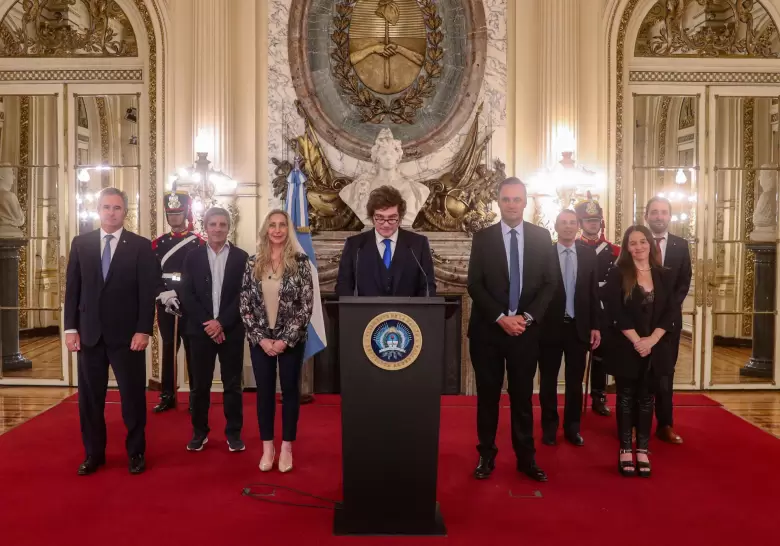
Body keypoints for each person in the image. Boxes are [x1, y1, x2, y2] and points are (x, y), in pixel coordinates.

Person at [64, 187, 160, 475]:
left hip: (128, 337)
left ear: (125, 212)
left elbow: (146, 293)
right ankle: (94, 454)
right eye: (106, 207)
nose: (111, 212)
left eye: (117, 207)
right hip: (89, 335)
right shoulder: (81, 243)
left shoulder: (140, 246)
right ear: (98, 210)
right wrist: (70, 328)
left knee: (132, 398)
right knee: (90, 400)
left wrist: (143, 330)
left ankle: (136, 453)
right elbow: (73, 289)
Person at [467, 177, 556, 482]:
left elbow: (550, 283)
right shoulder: (482, 238)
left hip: (525, 333)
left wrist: (526, 318)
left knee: (522, 398)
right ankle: (486, 456)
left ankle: (526, 459)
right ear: (498, 202)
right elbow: (474, 285)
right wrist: (501, 317)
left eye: (517, 199)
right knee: (487, 398)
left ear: (525, 202)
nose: (512, 204)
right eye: (506, 199)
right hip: (488, 332)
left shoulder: (542, 237)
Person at [240, 210, 314, 473]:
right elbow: (245, 305)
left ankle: (286, 447)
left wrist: (284, 340)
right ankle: (267, 448)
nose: (277, 230)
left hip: (290, 340)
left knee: (290, 392)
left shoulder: (301, 263)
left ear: (288, 229)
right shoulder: (252, 263)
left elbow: (306, 306)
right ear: (266, 230)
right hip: (260, 340)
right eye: (272, 225)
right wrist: (261, 339)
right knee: (264, 394)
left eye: (282, 225)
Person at [603, 225, 676, 478]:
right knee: (625, 397)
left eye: (642, 241)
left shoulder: (664, 274)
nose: (639, 247)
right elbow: (615, 311)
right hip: (627, 345)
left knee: (647, 398)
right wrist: (637, 341)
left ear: (650, 244)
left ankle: (643, 450)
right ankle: (625, 449)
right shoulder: (618, 273)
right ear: (626, 247)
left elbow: (671, 312)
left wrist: (652, 340)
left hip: (655, 347)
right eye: (632, 243)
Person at [180, 207, 249, 452]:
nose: (218, 229)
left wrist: (222, 323)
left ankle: (234, 434)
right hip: (200, 331)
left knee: (232, 385)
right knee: (200, 386)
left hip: (231, 330)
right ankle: (199, 433)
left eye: (222, 224)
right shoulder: (192, 257)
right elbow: (187, 294)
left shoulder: (242, 257)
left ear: (229, 227)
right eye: (213, 224)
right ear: (205, 227)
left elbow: (244, 295)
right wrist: (209, 323)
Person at [538, 210, 601, 447]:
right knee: (548, 381)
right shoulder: (544, 254)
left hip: (578, 328)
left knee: (575, 383)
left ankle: (572, 428)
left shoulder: (588, 254)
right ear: (556, 226)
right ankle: (549, 428)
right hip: (549, 328)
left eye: (572, 223)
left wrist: (595, 326)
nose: (568, 226)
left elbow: (593, 293)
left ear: (578, 226)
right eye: (563, 222)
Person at [152, 188, 204, 413]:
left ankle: (195, 396)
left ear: (186, 213)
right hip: (166, 302)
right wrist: (163, 293)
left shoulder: (198, 243)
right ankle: (168, 394)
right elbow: (152, 275)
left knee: (193, 349)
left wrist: (181, 295)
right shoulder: (157, 244)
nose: (174, 217)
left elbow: (200, 277)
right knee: (168, 348)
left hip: (189, 304)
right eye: (170, 214)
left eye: (178, 213)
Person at [645, 196, 692, 444]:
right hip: (640, 322)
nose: (659, 216)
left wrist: (666, 315)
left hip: (669, 323)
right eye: (654, 212)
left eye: (663, 212)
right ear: (646, 216)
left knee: (665, 376)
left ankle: (665, 424)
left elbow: (683, 284)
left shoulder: (680, 246)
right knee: (639, 376)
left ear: (669, 216)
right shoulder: (637, 242)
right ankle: (635, 425)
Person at [335, 185, 436, 297]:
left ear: (400, 218)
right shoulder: (354, 245)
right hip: (365, 309)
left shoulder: (418, 244)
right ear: (372, 218)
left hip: (407, 309)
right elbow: (343, 286)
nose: (386, 224)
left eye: (392, 218)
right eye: (380, 218)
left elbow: (428, 286)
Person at [574, 194, 620, 417]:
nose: (593, 224)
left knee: (600, 356)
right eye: (588, 220)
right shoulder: (572, 248)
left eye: (596, 220)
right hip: (578, 308)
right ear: (580, 223)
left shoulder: (614, 251)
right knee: (576, 356)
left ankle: (599, 396)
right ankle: (574, 397)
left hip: (603, 310)